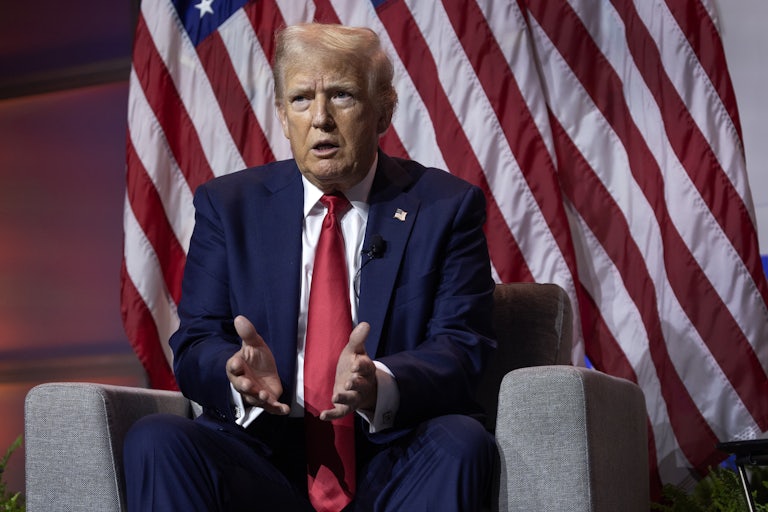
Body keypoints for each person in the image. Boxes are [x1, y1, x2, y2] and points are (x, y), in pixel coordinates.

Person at [123, 23, 497, 512]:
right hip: (262, 458)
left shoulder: (445, 207)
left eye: (341, 95)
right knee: (157, 439)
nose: (320, 118)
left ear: (384, 109)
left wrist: (379, 380)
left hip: (394, 456)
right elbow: (196, 342)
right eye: (300, 99)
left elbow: (462, 345)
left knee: (462, 442)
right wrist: (233, 375)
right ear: (281, 114)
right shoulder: (228, 205)